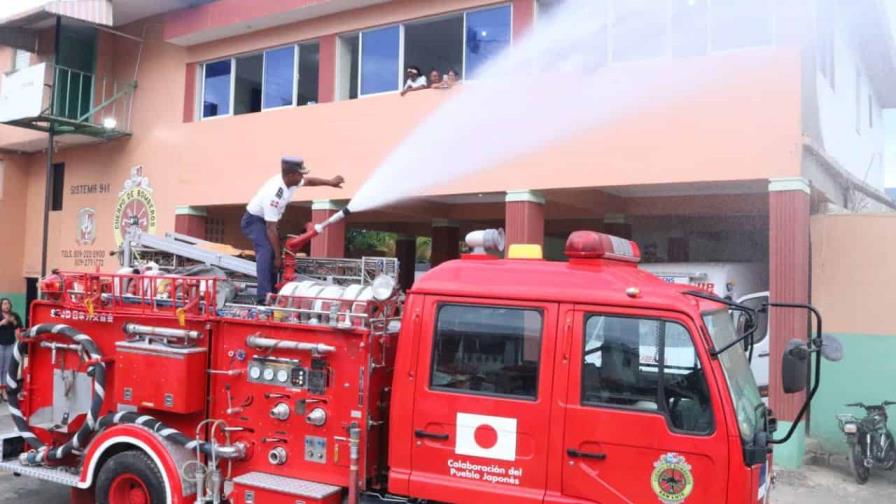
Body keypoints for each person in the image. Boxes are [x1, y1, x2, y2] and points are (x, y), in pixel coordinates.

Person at [241, 156, 344, 304]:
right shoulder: (274, 194)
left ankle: (274, 292)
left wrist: (330, 182)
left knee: (272, 254)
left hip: (268, 222)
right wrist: (278, 257)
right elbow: (271, 228)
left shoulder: (291, 182)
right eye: (300, 174)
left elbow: (310, 181)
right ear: (290, 175)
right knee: (266, 252)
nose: (302, 177)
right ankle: (263, 298)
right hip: (254, 221)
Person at [0, 298, 22, 403]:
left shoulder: (14, 315)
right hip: (0, 345)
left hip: (10, 344)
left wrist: (13, 322)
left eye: (8, 304)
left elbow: (20, 328)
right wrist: (1, 323)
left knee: (6, 369)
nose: (6, 306)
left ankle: (4, 391)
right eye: (4, 304)